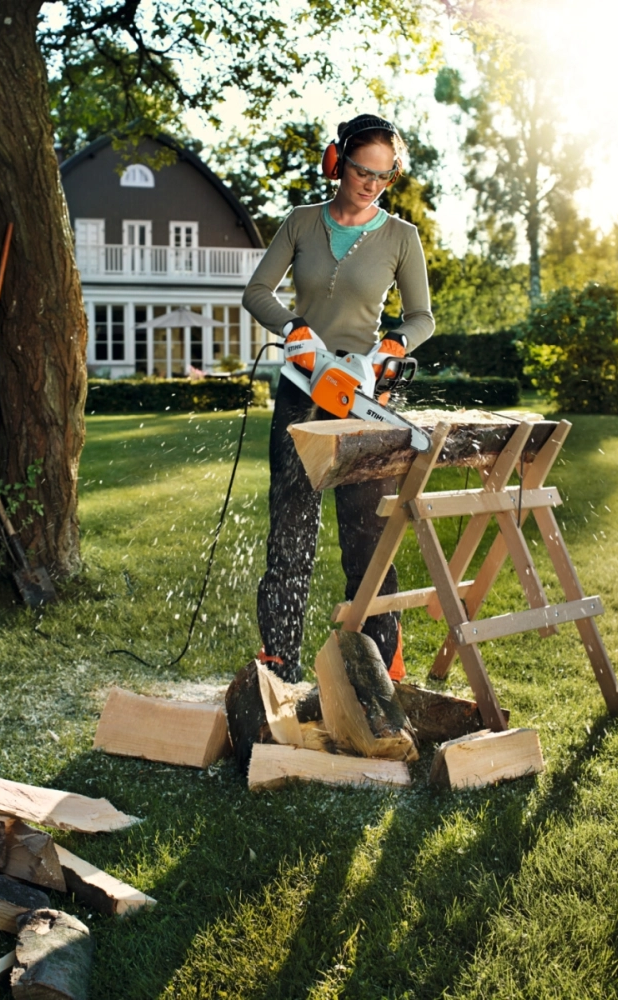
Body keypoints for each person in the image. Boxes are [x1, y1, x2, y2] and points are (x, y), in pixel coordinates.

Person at [241, 113, 434, 683]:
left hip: (362, 394)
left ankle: (379, 664)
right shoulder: (301, 223)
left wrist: (397, 341)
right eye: (360, 170)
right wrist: (294, 330)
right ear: (336, 162)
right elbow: (256, 291)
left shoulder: (402, 236)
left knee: (367, 533)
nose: (371, 183)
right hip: (302, 389)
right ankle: (280, 659)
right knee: (291, 528)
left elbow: (422, 316)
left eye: (383, 175)